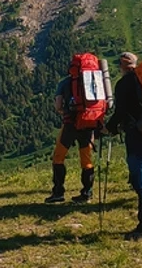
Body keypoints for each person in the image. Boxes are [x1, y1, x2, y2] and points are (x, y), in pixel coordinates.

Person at [104, 51, 142, 239]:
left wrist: (109, 128)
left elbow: (121, 111)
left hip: (136, 135)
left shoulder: (124, 84)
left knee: (141, 178)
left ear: (122, 65)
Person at [45, 67, 97, 204]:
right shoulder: (92, 81)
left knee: (58, 157)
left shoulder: (64, 83)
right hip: (88, 123)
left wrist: (65, 112)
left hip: (70, 124)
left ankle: (58, 192)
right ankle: (87, 193)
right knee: (86, 159)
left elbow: (58, 106)